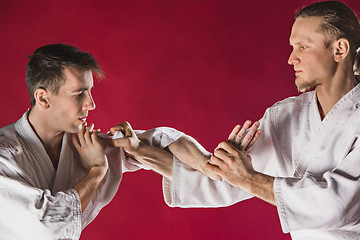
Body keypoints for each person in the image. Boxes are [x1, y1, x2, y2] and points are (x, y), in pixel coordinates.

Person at [159, 1, 360, 239]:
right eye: (292, 47)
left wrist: (249, 178)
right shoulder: (285, 115)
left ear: (340, 49)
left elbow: (338, 205)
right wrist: (148, 146)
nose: (291, 59)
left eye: (303, 47)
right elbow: (224, 181)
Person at [0, 43, 219, 240]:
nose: (91, 104)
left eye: (90, 92)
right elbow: (46, 226)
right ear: (43, 98)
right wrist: (96, 171)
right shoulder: (4, 156)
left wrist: (207, 163)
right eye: (79, 94)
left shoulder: (85, 145)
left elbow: (162, 140)